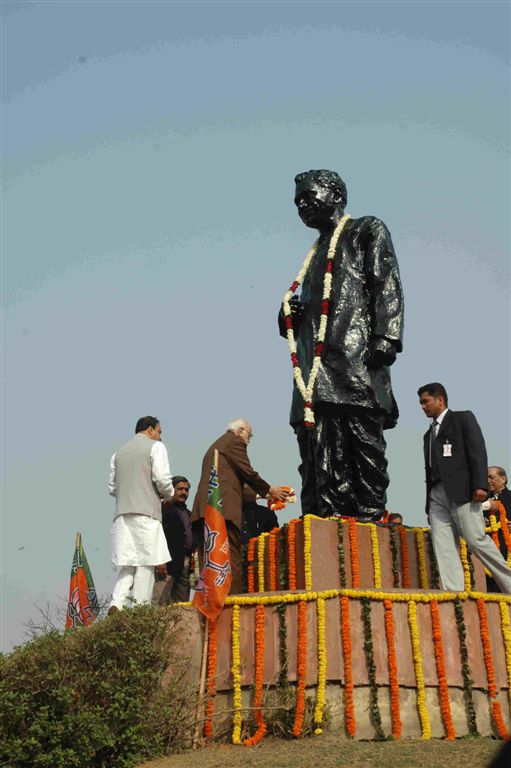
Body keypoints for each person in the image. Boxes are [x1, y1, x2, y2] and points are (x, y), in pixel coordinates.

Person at [279, 169, 404, 521]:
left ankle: (369, 511)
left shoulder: (366, 229)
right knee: (320, 445)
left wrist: (387, 336)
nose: (303, 206)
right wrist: (289, 312)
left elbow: (386, 282)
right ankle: (327, 511)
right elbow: (301, 313)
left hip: (354, 357)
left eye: (309, 197)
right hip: (316, 370)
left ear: (335, 195)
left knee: (361, 438)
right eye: (298, 202)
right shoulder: (316, 251)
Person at [418, 383, 511, 593]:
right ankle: (454, 591)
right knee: (443, 543)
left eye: (426, 401)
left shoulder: (462, 419)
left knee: (476, 540)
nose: (422, 407)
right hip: (436, 493)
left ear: (440, 399)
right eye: (421, 403)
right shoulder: (428, 434)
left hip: (463, 491)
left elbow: (477, 452)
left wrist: (480, 486)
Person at [191, 419, 288, 594]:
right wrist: (269, 490)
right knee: (230, 556)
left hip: (203, 510)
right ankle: (232, 603)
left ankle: (211, 601)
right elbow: (248, 472)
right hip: (221, 510)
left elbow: (232, 483)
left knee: (209, 560)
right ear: (240, 430)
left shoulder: (216, 446)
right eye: (249, 436)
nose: (248, 441)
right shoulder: (234, 442)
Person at [108, 416, 174, 612]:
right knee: (147, 563)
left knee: (127, 564)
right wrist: (168, 494)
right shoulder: (156, 447)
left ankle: (117, 603)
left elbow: (112, 488)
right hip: (147, 514)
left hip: (122, 516)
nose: (160, 436)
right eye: (159, 431)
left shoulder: (118, 454)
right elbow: (162, 480)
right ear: (150, 429)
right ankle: (140, 609)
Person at [153, 476, 194, 604]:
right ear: (171, 490)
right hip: (166, 562)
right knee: (160, 602)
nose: (183, 492)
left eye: (186, 490)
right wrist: (160, 560)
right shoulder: (162, 509)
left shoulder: (189, 514)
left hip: (186, 563)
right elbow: (156, 535)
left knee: (182, 606)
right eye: (180, 489)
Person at [483, 466, 511, 592]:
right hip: (489, 548)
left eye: (491, 477)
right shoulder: (481, 500)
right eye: (486, 478)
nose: (488, 481)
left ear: (503, 479)